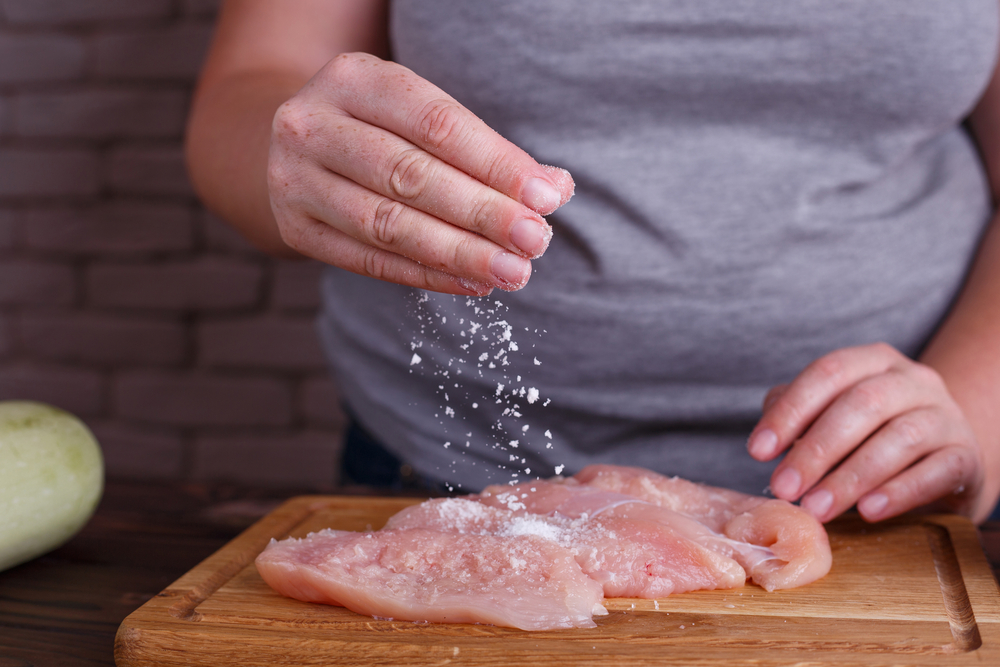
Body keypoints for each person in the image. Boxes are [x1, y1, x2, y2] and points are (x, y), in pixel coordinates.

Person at [186, 0, 1000, 523]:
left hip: (879, 497)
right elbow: (250, 87)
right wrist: (297, 157)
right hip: (449, 464)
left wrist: (970, 409)